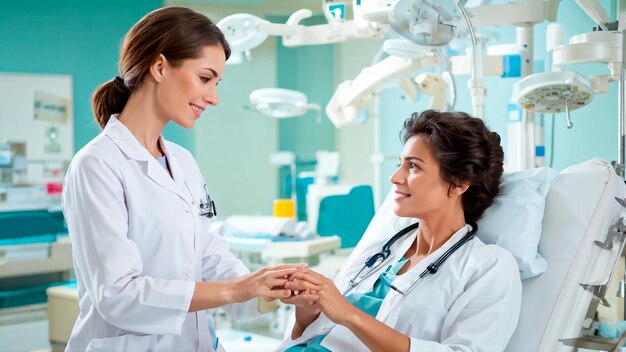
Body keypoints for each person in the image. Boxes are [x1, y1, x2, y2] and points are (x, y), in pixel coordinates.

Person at [62, 7, 300, 352]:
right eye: (205, 79)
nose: (214, 98)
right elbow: (117, 294)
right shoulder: (97, 165)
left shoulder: (183, 162)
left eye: (217, 83)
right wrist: (237, 290)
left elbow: (207, 255)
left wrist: (268, 289)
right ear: (159, 66)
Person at [277, 110, 523, 352]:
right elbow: (315, 336)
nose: (395, 177)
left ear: (458, 184)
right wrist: (308, 311)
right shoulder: (385, 247)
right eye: (400, 165)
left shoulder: (489, 267)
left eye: (413, 166)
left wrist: (348, 314)